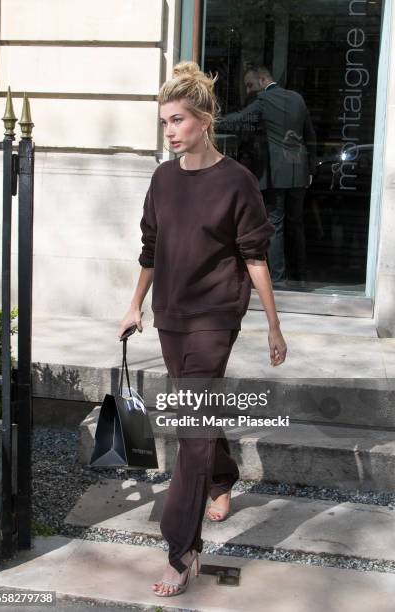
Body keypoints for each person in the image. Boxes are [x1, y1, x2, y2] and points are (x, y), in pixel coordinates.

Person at [118, 61, 287, 598]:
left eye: (177, 120)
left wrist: (274, 328)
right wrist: (134, 305)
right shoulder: (162, 178)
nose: (169, 131)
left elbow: (254, 257)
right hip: (170, 315)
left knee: (189, 425)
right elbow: (150, 249)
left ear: (205, 120)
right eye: (164, 121)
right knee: (199, 413)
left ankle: (181, 550)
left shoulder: (236, 181)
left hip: (216, 318)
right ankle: (221, 476)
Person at [217, 65, 317, 287]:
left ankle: (279, 281)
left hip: (276, 174)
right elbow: (310, 135)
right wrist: (310, 168)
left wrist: (209, 122)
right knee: (296, 224)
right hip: (299, 172)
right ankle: (300, 276)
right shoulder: (297, 99)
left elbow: (240, 119)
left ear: (262, 80)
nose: (249, 90)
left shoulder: (264, 100)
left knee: (276, 225)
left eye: (250, 84)